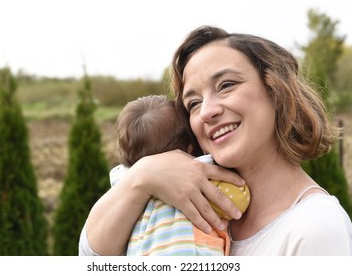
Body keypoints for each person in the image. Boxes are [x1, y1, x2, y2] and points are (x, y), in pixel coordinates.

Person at [84, 25, 352, 255]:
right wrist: (141, 177)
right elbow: (90, 256)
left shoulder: (316, 227)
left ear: (276, 90)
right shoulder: (181, 202)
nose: (207, 111)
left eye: (226, 85)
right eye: (193, 103)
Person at [79, 94, 250, 256]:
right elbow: (237, 202)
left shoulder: (124, 184)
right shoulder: (201, 171)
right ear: (190, 148)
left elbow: (92, 254)